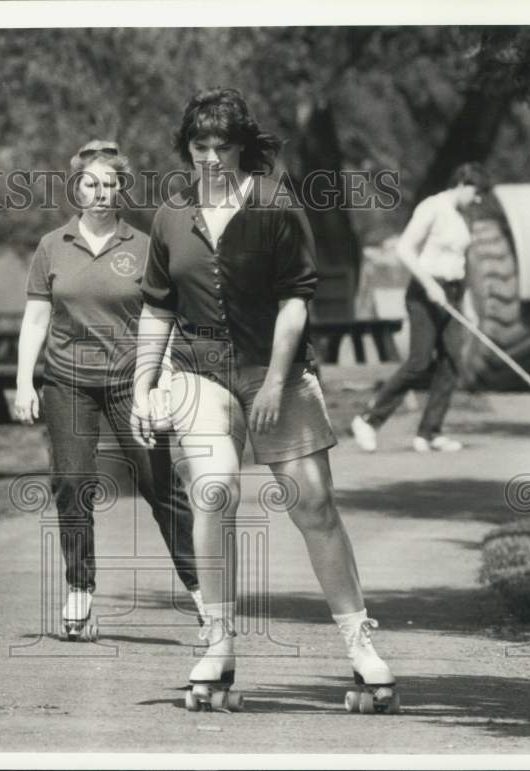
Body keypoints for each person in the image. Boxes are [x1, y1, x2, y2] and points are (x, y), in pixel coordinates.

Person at [132, 88, 396, 711]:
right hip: (200, 370)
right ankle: (217, 639)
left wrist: (276, 383)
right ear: (187, 150)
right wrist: (145, 382)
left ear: (243, 148)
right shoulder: (172, 215)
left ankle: (360, 645)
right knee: (213, 486)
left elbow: (295, 301)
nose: (211, 159)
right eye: (200, 147)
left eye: (223, 147)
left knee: (314, 504)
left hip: (276, 370)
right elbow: (157, 307)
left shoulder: (276, 204)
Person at [14, 139, 203, 641]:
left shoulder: (142, 247)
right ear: (76, 189)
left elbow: (160, 318)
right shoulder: (53, 246)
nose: (101, 192)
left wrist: (159, 381)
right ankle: (80, 591)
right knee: (72, 482)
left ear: (122, 190)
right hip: (66, 381)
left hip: (129, 382)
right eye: (91, 184)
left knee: (158, 483)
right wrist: (22, 382)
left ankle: (204, 593)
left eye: (110, 184)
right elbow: (36, 316)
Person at [351, 163, 490, 454]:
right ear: (463, 184)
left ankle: (429, 433)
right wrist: (429, 285)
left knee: (452, 363)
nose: (478, 200)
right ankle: (368, 420)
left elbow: (460, 264)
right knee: (419, 361)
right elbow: (404, 249)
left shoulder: (463, 216)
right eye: (476, 193)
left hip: (451, 292)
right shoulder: (433, 207)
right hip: (424, 293)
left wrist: (467, 306)